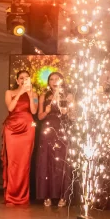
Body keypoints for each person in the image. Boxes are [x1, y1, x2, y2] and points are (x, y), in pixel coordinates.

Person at [36, 72, 73, 207]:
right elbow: (40, 117)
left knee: (61, 161)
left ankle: (63, 195)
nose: (54, 81)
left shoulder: (68, 96)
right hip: (47, 129)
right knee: (47, 160)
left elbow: (71, 115)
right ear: (48, 82)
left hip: (62, 129)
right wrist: (46, 110)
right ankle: (47, 195)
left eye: (57, 79)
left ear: (62, 80)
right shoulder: (43, 95)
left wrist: (67, 110)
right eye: (51, 79)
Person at [2, 70, 38, 206]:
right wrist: (20, 92)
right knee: (13, 162)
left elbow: (34, 111)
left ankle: (23, 196)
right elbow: (10, 108)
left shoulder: (34, 94)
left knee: (24, 162)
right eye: (21, 78)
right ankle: (11, 195)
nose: (24, 80)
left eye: (26, 78)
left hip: (27, 128)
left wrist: (29, 94)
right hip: (12, 128)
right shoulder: (9, 93)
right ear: (17, 81)